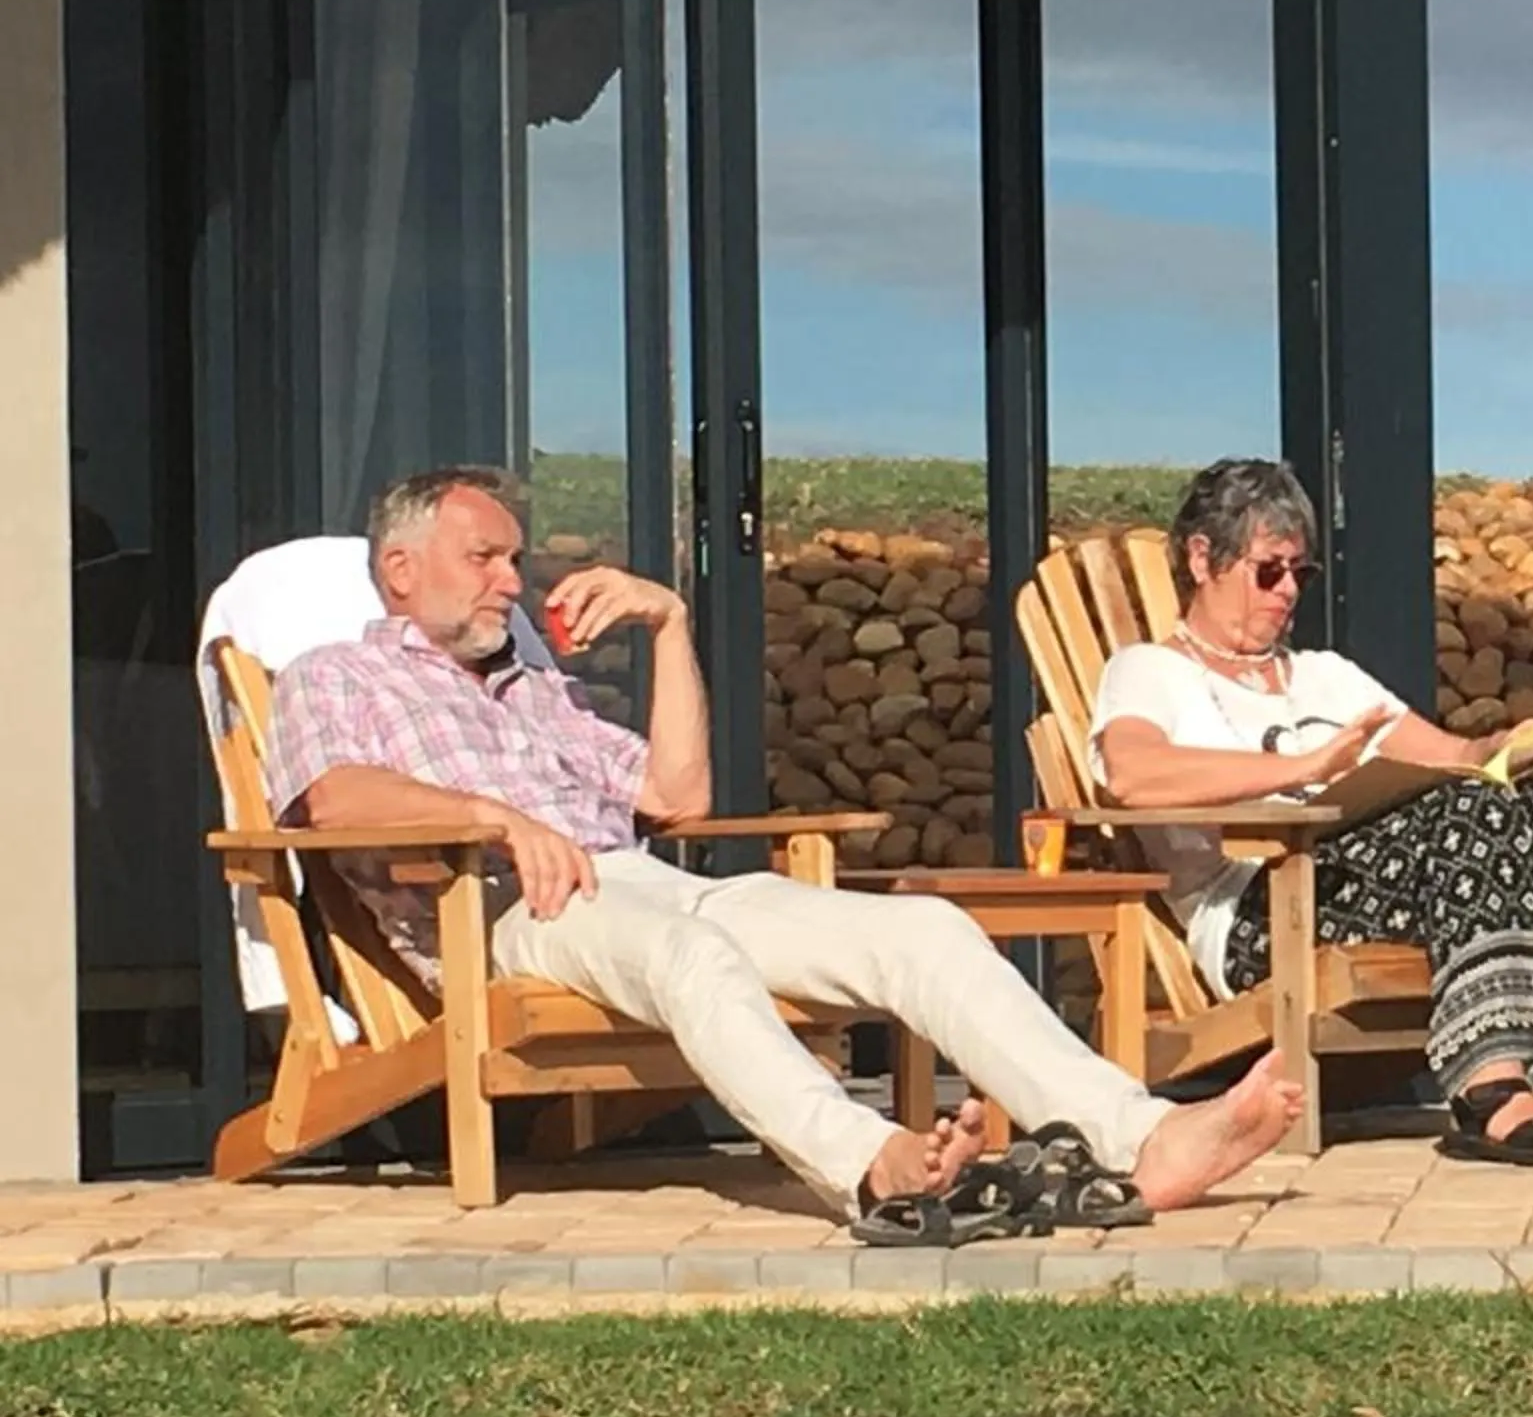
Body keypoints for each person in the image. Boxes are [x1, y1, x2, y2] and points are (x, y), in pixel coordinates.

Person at [266, 464, 1301, 1237]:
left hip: (640, 886)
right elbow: (331, 798)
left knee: (924, 930)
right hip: (502, 910)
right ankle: (873, 1165)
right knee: (692, 959)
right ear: (399, 571)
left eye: (510, 556)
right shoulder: (337, 677)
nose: (509, 579)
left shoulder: (530, 687)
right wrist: (497, 820)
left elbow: (679, 794)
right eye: (483, 557)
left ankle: (1144, 1140)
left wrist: (669, 625)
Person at [1090, 458, 1533, 1166]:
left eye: (1302, 573)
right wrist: (1301, 770)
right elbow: (1130, 772)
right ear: (1203, 559)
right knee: (1469, 813)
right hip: (1263, 912)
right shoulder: (1150, 671)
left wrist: (1508, 745)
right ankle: (1490, 1088)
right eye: (1270, 570)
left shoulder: (1327, 676)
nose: (1288, 590)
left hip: (1372, 881)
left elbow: (1455, 755)